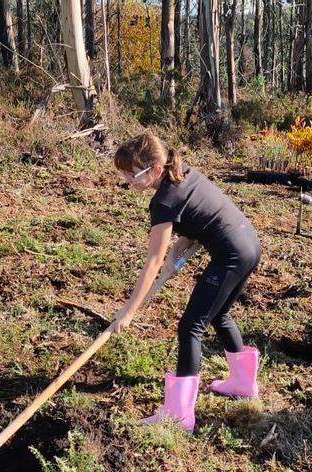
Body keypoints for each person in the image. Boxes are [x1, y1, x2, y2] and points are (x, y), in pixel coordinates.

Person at [112, 132, 262, 431]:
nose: (128, 180)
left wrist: (128, 311)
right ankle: (243, 384)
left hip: (231, 254)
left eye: (132, 174)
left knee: (190, 325)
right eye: (125, 174)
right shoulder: (182, 175)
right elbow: (195, 223)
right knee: (218, 314)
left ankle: (179, 415)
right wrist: (176, 257)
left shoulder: (164, 200)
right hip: (250, 244)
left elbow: (152, 261)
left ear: (154, 169)